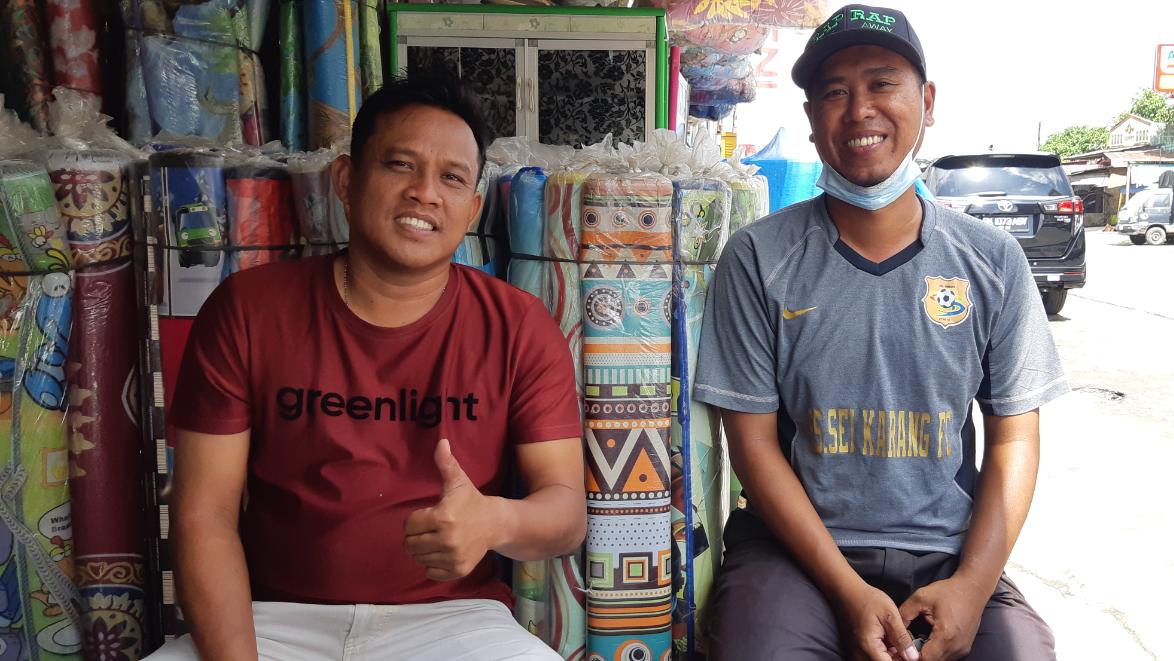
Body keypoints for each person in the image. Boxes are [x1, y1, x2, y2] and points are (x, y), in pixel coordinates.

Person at [147, 73, 585, 660]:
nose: (425, 193)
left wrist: (494, 522)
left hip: (454, 624)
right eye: (401, 165)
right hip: (271, 621)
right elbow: (204, 513)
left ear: (472, 210)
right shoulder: (248, 310)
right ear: (346, 182)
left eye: (452, 178)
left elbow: (566, 514)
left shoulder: (519, 327)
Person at [694, 5, 1066, 661]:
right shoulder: (757, 257)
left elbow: (1014, 437)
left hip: (946, 551)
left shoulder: (992, 261)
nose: (860, 109)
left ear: (928, 101)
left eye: (881, 83)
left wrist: (973, 586)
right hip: (795, 553)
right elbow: (752, 445)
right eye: (834, 92)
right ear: (811, 118)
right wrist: (847, 590)